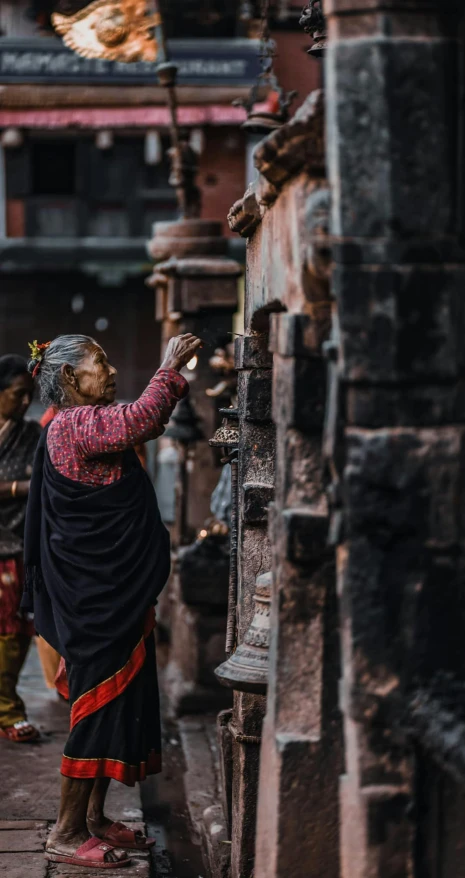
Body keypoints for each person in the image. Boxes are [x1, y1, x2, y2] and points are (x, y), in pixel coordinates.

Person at [23, 333, 201, 869]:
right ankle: (65, 831)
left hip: (109, 595)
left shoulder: (78, 421)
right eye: (98, 363)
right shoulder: (75, 424)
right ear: (72, 380)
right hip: (95, 599)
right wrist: (168, 365)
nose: (109, 370)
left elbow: (139, 417)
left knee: (116, 703)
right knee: (96, 710)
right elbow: (143, 418)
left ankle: (95, 819)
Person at [0, 355, 41, 742]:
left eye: (30, 395)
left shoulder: (30, 435)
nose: (25, 402)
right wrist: (17, 489)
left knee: (13, 630)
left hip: (12, 542)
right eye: (17, 394)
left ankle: (8, 707)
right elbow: (31, 485)